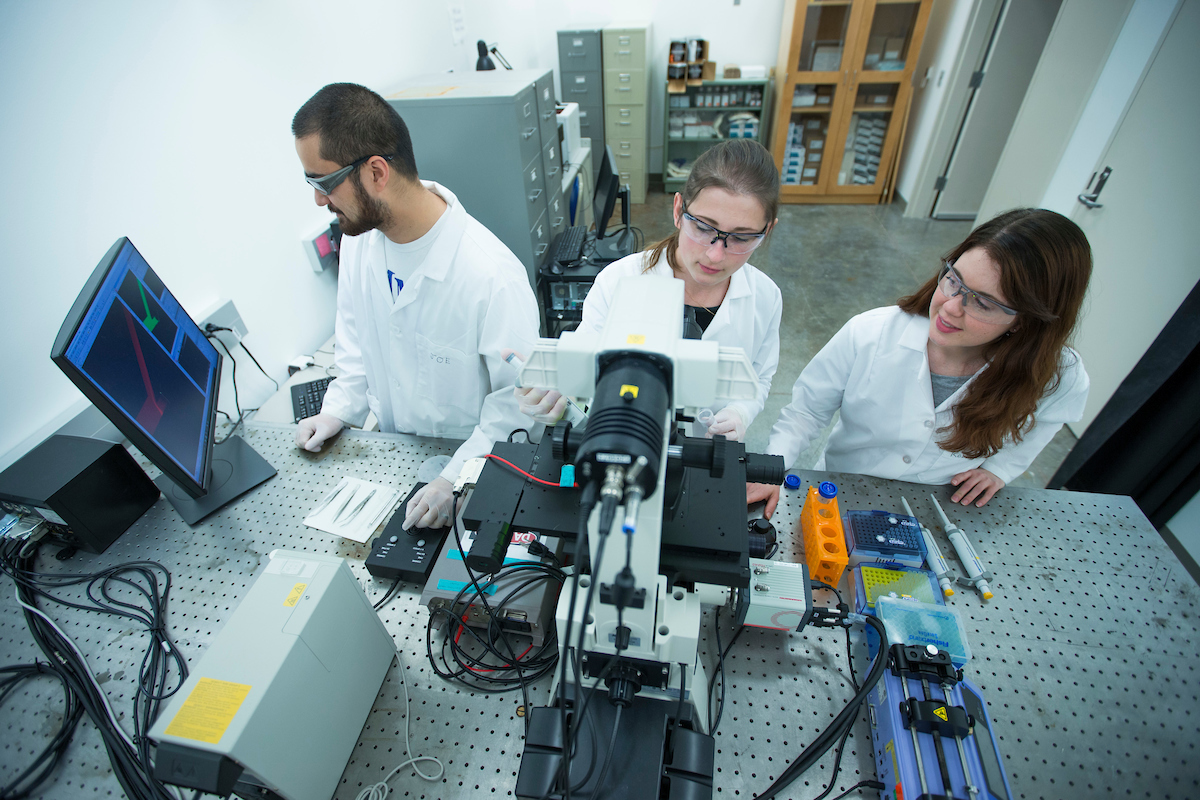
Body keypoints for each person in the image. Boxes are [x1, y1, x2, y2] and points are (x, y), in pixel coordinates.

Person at [291, 83, 541, 528]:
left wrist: (456, 479)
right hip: (396, 461)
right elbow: (354, 349)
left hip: (468, 477)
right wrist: (336, 409)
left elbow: (518, 405)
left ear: (376, 172)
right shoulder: (360, 244)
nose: (317, 200)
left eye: (323, 183)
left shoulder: (491, 276)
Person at [750, 208, 1092, 516]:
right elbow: (806, 412)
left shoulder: (1059, 375)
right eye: (954, 280)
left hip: (941, 508)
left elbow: (1050, 419)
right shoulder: (871, 333)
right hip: (841, 492)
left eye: (983, 303)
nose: (951, 307)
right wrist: (770, 471)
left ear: (1027, 320)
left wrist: (1001, 468)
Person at [516, 139, 783, 442]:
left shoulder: (766, 297)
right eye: (704, 228)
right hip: (626, 443)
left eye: (741, 238)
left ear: (767, 231)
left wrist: (741, 412)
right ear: (679, 210)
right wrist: (552, 397)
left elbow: (760, 376)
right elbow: (580, 378)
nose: (715, 255)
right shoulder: (618, 281)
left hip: (711, 453)